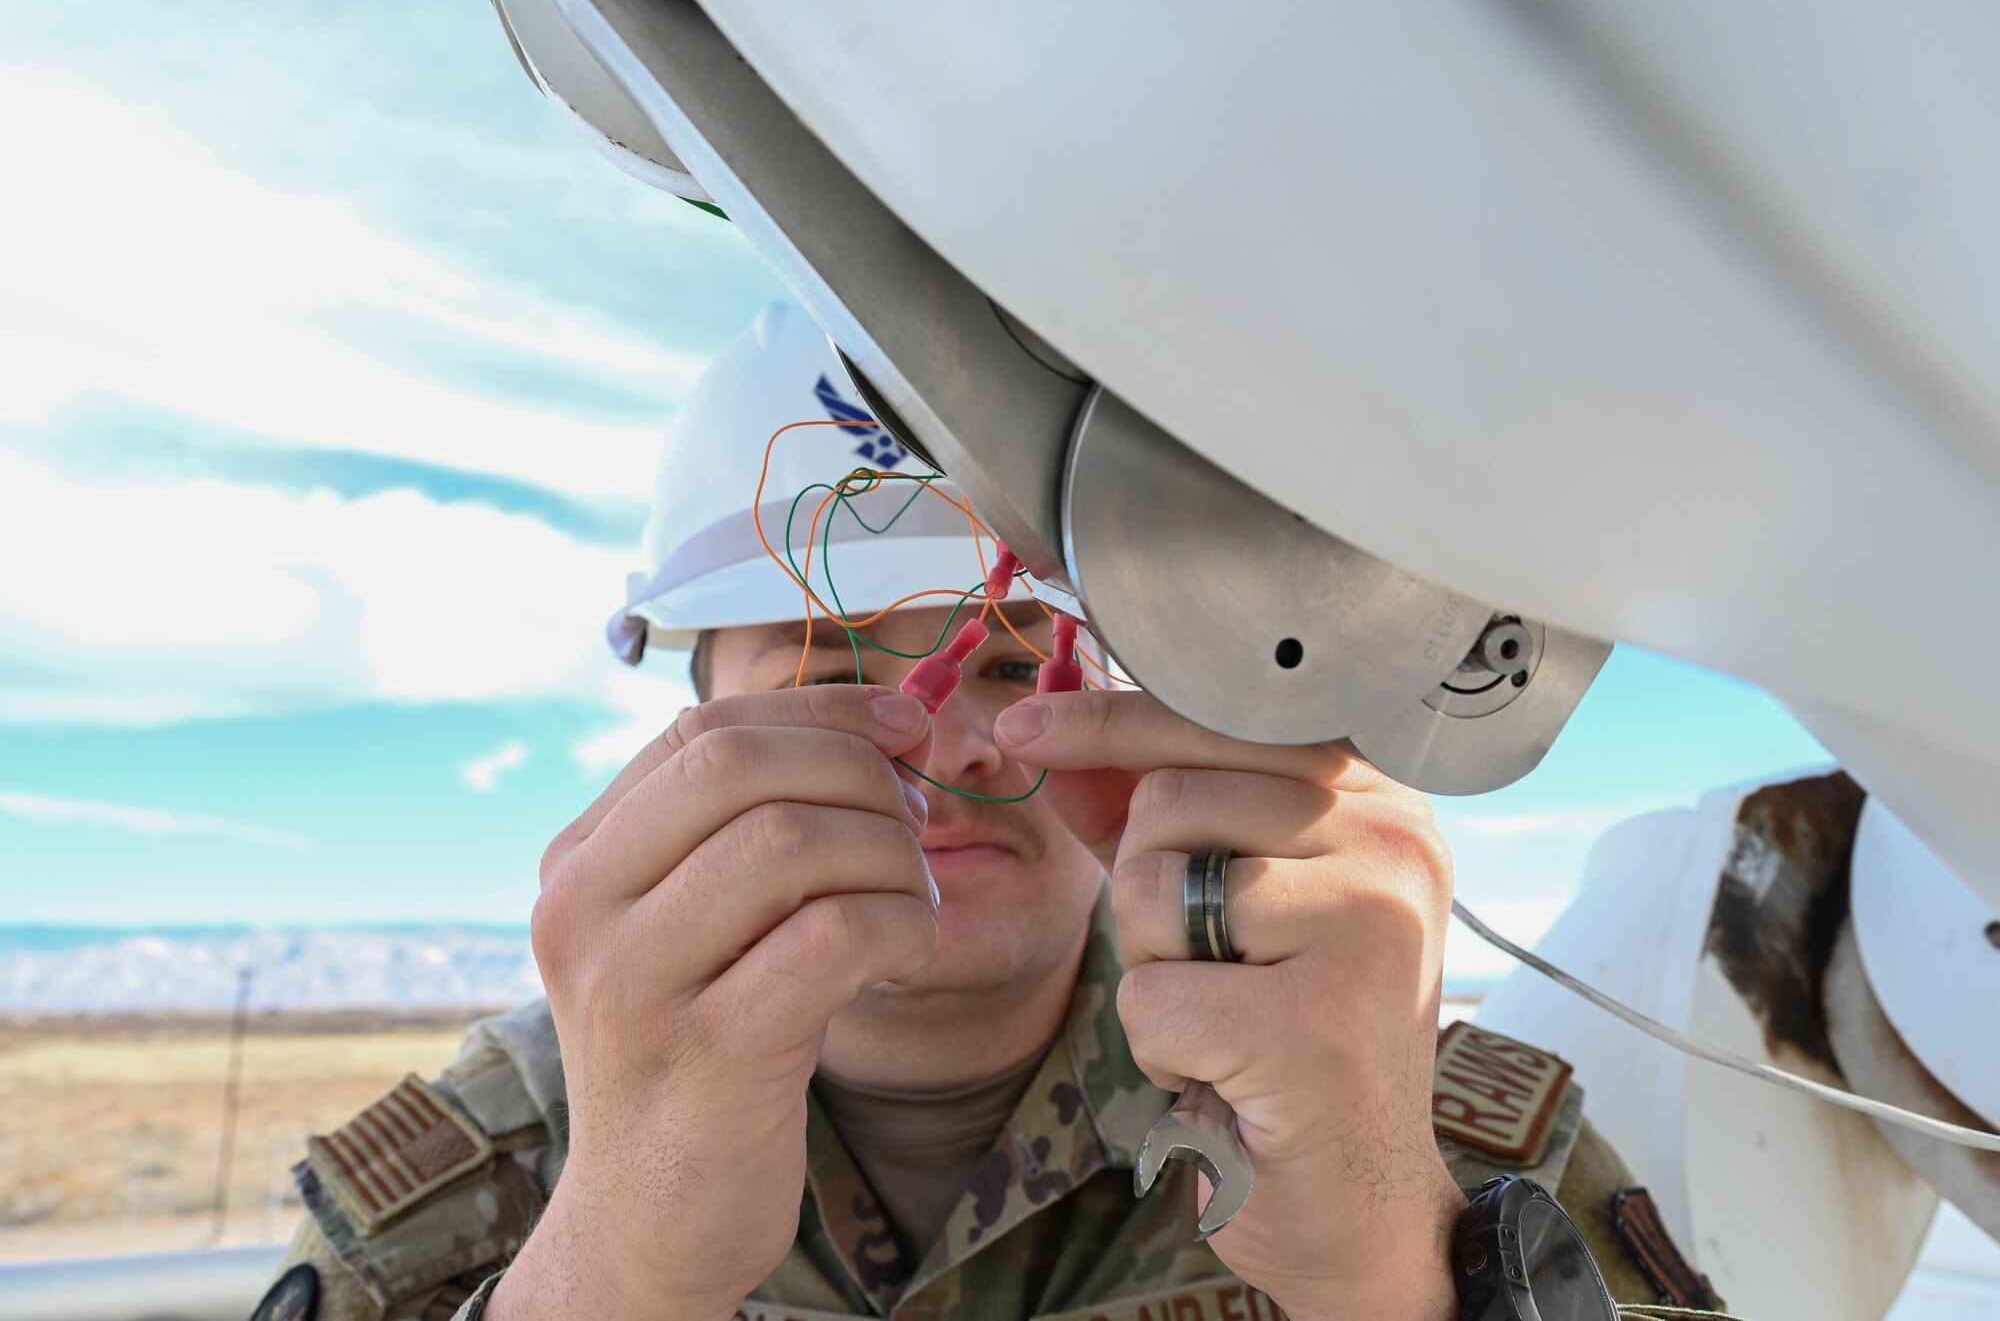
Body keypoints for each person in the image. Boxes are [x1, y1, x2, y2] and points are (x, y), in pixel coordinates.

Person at [257, 304, 1723, 1321]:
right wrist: (599, 1283)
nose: (943, 743)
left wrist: (1404, 1276)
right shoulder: (496, 1165)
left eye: (1017, 660)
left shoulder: (1397, 1111)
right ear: (688, 728)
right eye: (829, 669)